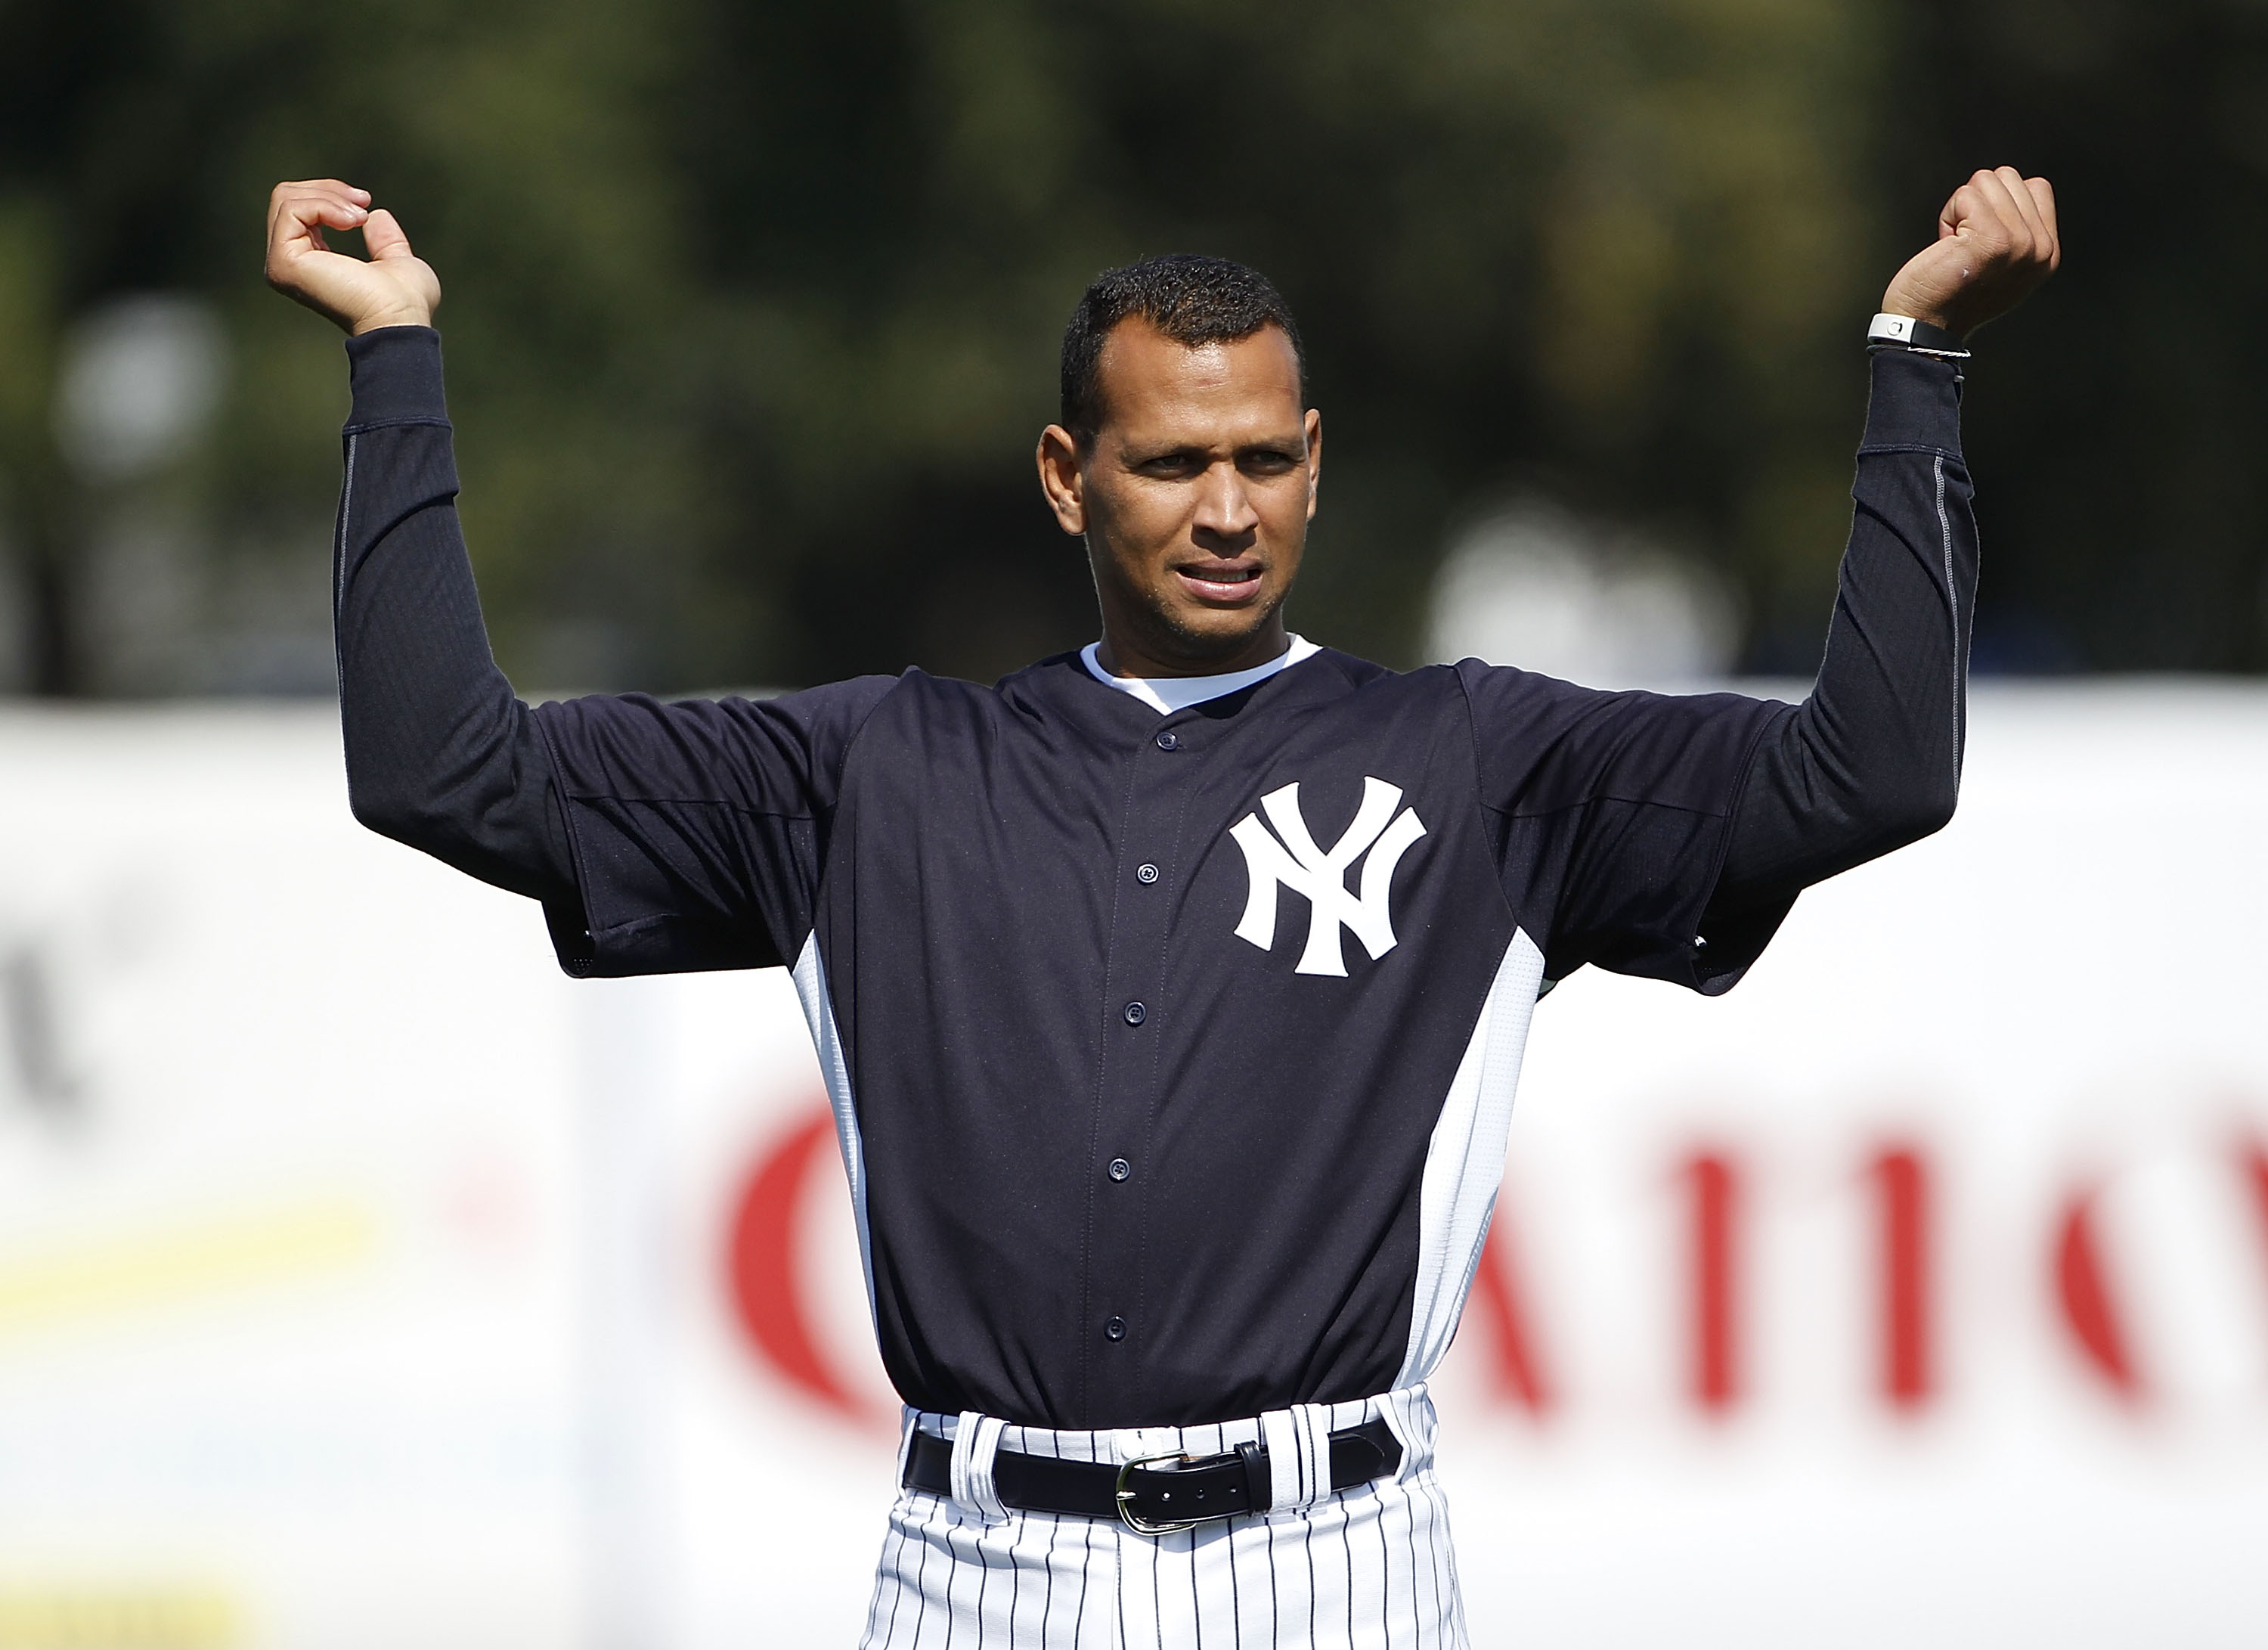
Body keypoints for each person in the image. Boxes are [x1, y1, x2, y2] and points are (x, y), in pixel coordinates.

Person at [266, 166, 2057, 1648]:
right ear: (1068, 476)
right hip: (979, 1572)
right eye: (1173, 462)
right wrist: (397, 363)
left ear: (1316, 458)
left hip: (1329, 1563)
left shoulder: (1474, 758)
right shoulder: (873, 770)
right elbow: (447, 769)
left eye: (1266, 458)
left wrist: (1918, 365)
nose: (1229, 508)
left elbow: (1869, 773)